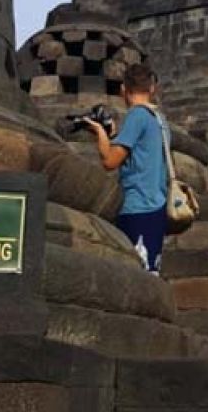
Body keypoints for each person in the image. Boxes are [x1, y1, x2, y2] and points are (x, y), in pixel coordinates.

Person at [85, 63, 169, 274]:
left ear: (124, 89)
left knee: (136, 274)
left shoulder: (137, 116)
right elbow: (140, 157)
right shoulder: (159, 119)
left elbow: (110, 162)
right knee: (151, 272)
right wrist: (114, 136)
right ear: (152, 89)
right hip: (157, 206)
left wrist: (99, 134)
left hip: (137, 207)